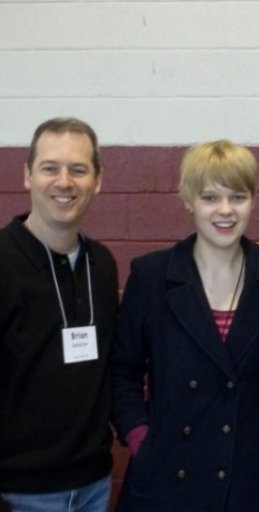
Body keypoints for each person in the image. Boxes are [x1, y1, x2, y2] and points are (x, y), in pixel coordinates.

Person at [111, 139, 259, 511]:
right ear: (189, 201)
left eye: (238, 197)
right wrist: (141, 438)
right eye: (211, 197)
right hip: (166, 475)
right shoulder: (151, 276)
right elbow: (121, 373)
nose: (225, 211)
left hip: (242, 481)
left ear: (254, 201)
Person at [0, 118, 119, 511]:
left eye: (78, 169)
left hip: (93, 487)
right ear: (27, 176)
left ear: (97, 180)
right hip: (18, 493)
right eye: (50, 168)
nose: (64, 182)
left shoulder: (101, 265)